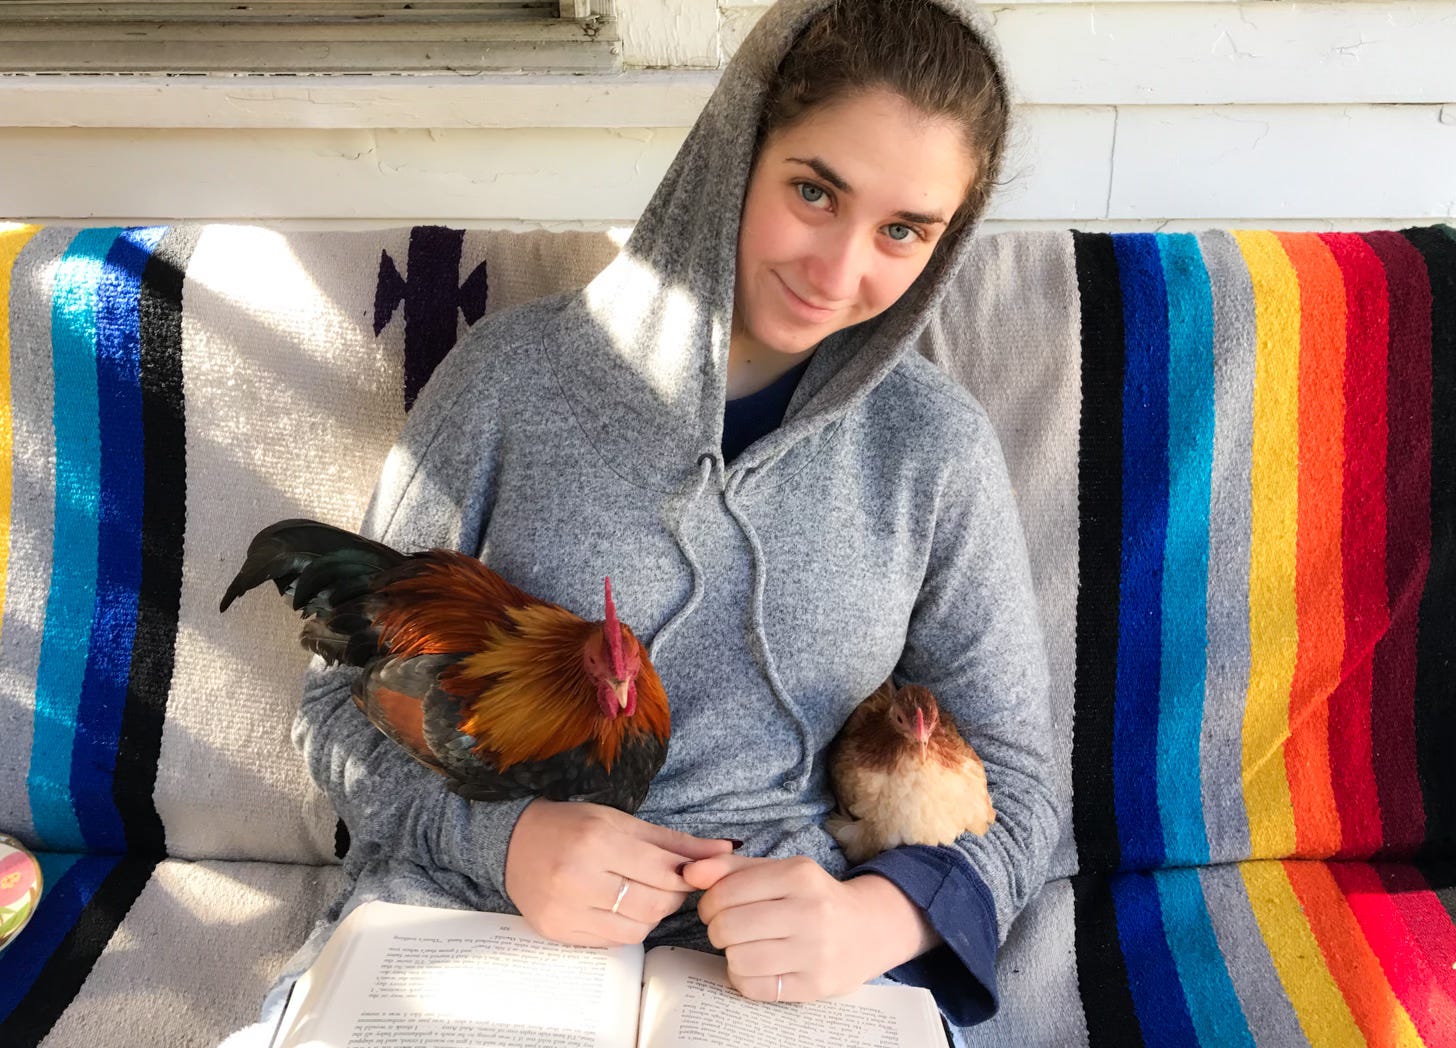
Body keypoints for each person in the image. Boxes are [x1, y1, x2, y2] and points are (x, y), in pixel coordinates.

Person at [242, 0, 1058, 1042]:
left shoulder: (935, 449)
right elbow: (333, 711)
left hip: (781, 968)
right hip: (473, 923)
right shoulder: (508, 380)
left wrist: (877, 917)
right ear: (735, 155)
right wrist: (505, 844)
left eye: (902, 230)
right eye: (814, 192)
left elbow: (1021, 791)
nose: (838, 271)